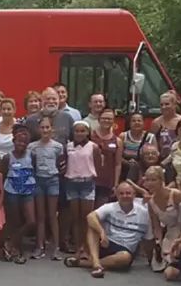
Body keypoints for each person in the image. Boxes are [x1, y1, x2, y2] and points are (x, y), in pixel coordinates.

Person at [65, 181, 151, 278]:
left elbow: (148, 238)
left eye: (128, 193)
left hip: (125, 249)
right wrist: (102, 232)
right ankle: (96, 264)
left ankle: (85, 263)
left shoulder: (144, 213)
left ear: (134, 195)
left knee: (125, 257)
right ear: (117, 195)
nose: (125, 196)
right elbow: (91, 216)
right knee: (93, 226)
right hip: (107, 242)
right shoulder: (110, 207)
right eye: (121, 193)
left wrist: (151, 260)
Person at [29, 116, 65, 260]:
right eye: (42, 127)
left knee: (52, 215)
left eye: (47, 127)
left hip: (53, 181)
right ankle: (40, 246)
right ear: (39, 129)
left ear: (52, 129)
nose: (45, 130)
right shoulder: (32, 147)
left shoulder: (58, 147)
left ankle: (56, 247)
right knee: (40, 216)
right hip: (38, 180)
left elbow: (60, 164)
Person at [0, 124, 36, 263]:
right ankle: (16, 250)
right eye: (19, 141)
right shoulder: (7, 158)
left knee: (31, 221)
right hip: (11, 191)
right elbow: (1, 176)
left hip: (28, 191)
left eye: (24, 142)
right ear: (14, 141)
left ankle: (10, 243)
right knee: (15, 222)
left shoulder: (32, 155)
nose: (21, 144)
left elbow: (35, 171)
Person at [66, 121, 102, 257]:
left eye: (82, 131)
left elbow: (98, 165)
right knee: (76, 218)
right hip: (72, 183)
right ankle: (78, 246)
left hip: (87, 183)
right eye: (77, 131)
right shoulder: (68, 146)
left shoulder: (94, 147)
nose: (79, 134)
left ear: (88, 132)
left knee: (86, 218)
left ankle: (87, 247)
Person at [142, 165, 181, 273]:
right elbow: (156, 227)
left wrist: (180, 239)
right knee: (158, 264)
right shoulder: (151, 202)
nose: (150, 183)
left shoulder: (176, 195)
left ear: (162, 180)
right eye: (147, 180)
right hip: (170, 233)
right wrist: (159, 243)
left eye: (153, 180)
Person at [91, 108, 120, 205]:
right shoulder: (90, 136)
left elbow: (117, 164)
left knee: (101, 212)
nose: (106, 121)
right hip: (90, 181)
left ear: (113, 121)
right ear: (99, 119)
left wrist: (115, 185)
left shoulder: (117, 141)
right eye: (104, 118)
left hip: (107, 183)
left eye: (109, 119)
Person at [120, 113, 156, 183]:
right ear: (129, 123)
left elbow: (155, 156)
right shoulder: (123, 136)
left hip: (144, 169)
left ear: (143, 123)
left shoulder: (150, 137)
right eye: (133, 121)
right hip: (126, 168)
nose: (136, 123)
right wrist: (128, 163)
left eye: (139, 121)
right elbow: (118, 157)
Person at [151, 92, 181, 159]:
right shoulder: (156, 122)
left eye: (167, 104)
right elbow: (152, 144)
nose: (164, 107)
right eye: (161, 105)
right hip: (162, 159)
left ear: (174, 105)